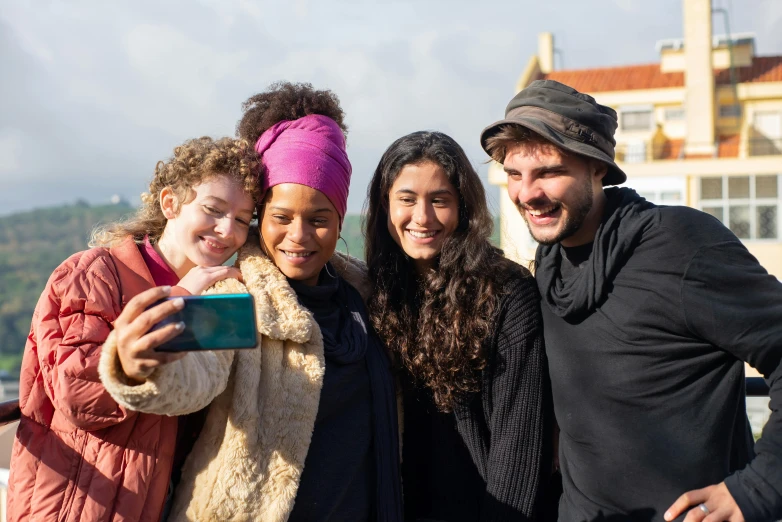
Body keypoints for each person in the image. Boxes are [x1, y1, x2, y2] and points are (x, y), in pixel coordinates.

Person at [480, 79, 782, 522]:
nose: (527, 194)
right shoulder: (548, 263)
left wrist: (758, 488)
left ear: (597, 168)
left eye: (548, 172)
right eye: (513, 174)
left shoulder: (680, 245)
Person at [99, 82, 403, 522]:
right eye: (280, 218)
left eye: (319, 219)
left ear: (341, 220)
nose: (298, 236)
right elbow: (192, 378)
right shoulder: (240, 294)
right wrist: (138, 365)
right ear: (262, 218)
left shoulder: (366, 295)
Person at [7, 136, 260, 522]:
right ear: (170, 203)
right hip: (72, 507)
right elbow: (79, 394)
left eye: (242, 219)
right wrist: (179, 299)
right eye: (213, 209)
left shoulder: (217, 295)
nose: (227, 230)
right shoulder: (93, 272)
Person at [364, 130, 556, 521]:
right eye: (406, 199)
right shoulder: (378, 292)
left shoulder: (507, 295)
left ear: (463, 208)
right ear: (385, 207)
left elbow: (518, 450)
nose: (422, 217)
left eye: (439, 201)